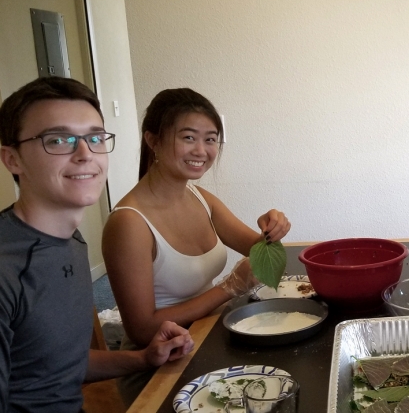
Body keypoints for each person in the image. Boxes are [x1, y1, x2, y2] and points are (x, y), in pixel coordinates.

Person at [0, 76, 195, 412]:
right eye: (58, 139)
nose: (85, 153)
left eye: (94, 137)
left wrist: (143, 357)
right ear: (12, 159)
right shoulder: (8, 266)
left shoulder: (70, 242)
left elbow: (56, 362)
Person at [101, 88, 291, 404]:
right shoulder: (129, 222)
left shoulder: (200, 198)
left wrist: (273, 228)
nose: (202, 150)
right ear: (153, 141)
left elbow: (255, 247)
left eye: (211, 139)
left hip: (207, 334)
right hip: (161, 364)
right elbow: (143, 330)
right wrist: (229, 288)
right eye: (188, 138)